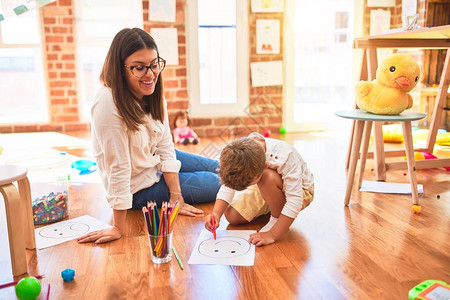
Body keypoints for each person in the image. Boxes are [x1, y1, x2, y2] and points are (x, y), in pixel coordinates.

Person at [78, 28, 220, 244]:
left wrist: (176, 197)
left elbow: (164, 144)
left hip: (153, 163)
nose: (150, 74)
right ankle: (262, 185)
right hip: (139, 188)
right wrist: (117, 227)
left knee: (222, 167)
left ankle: (271, 175)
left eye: (154, 65)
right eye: (139, 68)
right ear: (120, 69)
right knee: (219, 181)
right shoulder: (108, 103)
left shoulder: (152, 91)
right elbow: (118, 166)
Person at [204, 132, 314, 246]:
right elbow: (228, 186)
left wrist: (272, 234)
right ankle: (273, 207)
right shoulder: (239, 153)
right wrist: (216, 214)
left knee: (266, 177)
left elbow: (295, 201)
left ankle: (277, 217)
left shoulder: (285, 155)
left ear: (265, 165)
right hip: (268, 187)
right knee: (232, 216)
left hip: (299, 191)